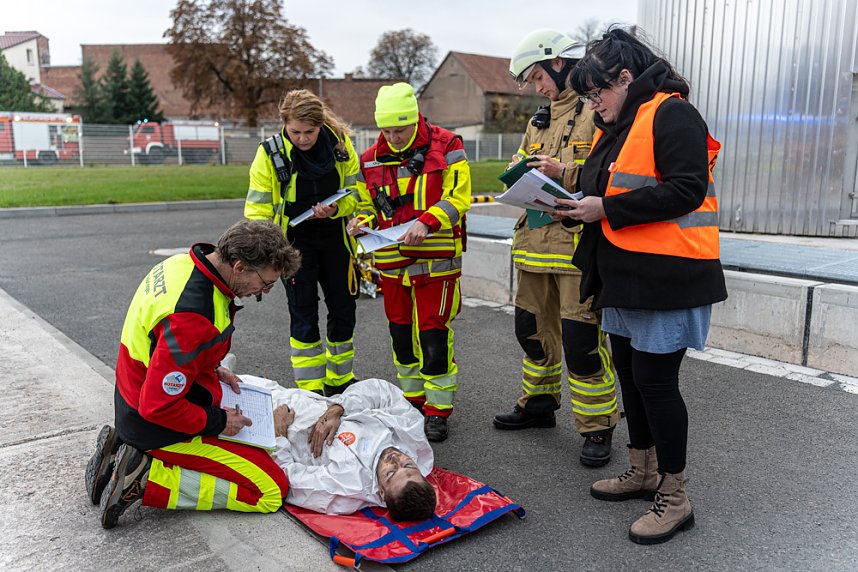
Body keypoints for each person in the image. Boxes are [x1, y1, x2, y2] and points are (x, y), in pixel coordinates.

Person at [555, 28, 728, 544]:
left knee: (655, 383)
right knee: (630, 377)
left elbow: (686, 189)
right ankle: (644, 469)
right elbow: (601, 187)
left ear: (626, 78)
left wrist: (606, 208)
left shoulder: (672, 113)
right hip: (625, 275)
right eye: (588, 96)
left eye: (597, 93)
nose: (594, 104)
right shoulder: (619, 124)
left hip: (669, 277)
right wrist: (572, 206)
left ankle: (675, 497)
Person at [85, 220, 301, 529]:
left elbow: (163, 347)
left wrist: (212, 367)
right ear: (239, 267)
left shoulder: (183, 265)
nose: (261, 293)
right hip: (155, 424)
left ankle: (120, 450)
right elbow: (158, 406)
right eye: (265, 284)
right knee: (270, 490)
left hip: (133, 395)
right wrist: (221, 422)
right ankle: (146, 476)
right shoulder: (193, 315)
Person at [494, 29, 620, 468]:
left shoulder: (597, 110)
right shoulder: (539, 120)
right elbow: (524, 161)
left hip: (574, 250)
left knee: (581, 344)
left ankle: (597, 426)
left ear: (558, 63)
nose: (537, 88)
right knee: (530, 331)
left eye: (537, 77)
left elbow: (609, 172)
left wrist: (562, 170)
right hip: (533, 245)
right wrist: (518, 168)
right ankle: (539, 404)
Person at [347, 83, 471, 442]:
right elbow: (367, 206)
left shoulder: (448, 145)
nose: (393, 138)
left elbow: (458, 197)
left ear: (415, 119)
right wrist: (360, 223)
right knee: (400, 335)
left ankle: (438, 410)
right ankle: (413, 402)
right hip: (392, 263)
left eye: (399, 130)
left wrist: (427, 222)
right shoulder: (369, 159)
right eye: (386, 131)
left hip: (436, 261)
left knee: (433, 335)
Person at [245, 89, 361, 397]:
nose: (302, 139)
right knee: (303, 311)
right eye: (295, 132)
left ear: (321, 125)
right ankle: (310, 389)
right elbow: (257, 210)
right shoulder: (270, 154)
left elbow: (356, 192)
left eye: (309, 132)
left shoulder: (340, 145)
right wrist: (265, 253)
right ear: (284, 124)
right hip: (294, 245)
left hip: (335, 240)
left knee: (343, 309)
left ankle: (339, 380)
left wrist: (337, 208)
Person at [241, 375, 436, 521]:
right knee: (227, 375)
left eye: (391, 472)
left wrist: (277, 433)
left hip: (262, 423)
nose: (395, 459)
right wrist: (339, 408)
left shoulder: (347, 488)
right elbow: (382, 391)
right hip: (296, 397)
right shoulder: (413, 438)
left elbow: (290, 479)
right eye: (408, 465)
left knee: (224, 394)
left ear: (382, 493)